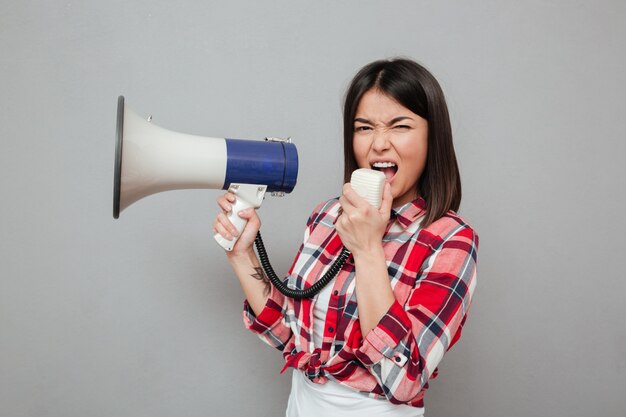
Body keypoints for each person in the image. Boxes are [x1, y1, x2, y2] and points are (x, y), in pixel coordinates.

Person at [212, 58, 479, 417]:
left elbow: (404, 380)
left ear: (433, 136)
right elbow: (287, 334)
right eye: (364, 127)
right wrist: (242, 255)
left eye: (400, 126)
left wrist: (368, 248)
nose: (379, 144)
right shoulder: (327, 217)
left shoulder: (452, 241)